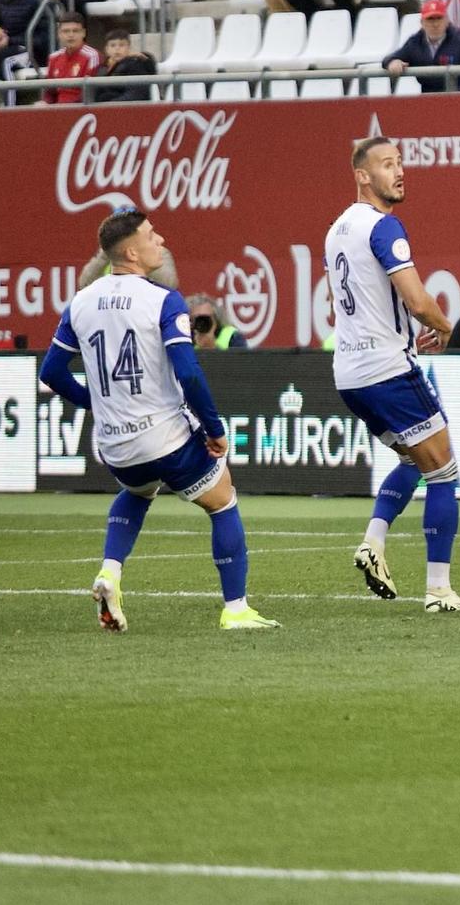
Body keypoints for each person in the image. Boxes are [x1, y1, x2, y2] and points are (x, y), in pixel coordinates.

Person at [41, 209, 280, 632]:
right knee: (223, 500)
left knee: (138, 491)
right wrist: (215, 429)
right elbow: (188, 372)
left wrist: (95, 402)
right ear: (131, 251)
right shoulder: (163, 300)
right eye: (152, 235)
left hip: (114, 445)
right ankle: (237, 609)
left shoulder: (80, 302)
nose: (161, 240)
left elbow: (52, 373)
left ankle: (110, 572)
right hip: (164, 436)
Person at [327, 138, 460, 611]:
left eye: (400, 163)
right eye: (387, 165)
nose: (399, 172)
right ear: (362, 176)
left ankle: (373, 541)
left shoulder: (336, 230)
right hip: (387, 369)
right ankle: (439, 590)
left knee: (414, 462)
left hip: (349, 374)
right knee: (443, 472)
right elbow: (417, 300)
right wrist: (445, 327)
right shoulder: (384, 227)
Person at [383, 0, 460, 91]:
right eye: (430, 19)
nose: (435, 24)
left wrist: (458, 100)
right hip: (428, 103)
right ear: (422, 23)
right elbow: (391, 58)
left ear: (447, 21)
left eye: (439, 18)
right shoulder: (415, 42)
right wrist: (392, 62)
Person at [42, 13, 104, 103]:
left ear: (83, 33)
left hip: (81, 109)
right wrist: (45, 103)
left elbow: (90, 93)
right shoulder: (54, 57)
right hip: (57, 110)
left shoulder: (92, 56)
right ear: (59, 34)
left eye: (75, 31)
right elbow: (50, 92)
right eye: (66, 31)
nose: (71, 35)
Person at [91, 31, 158, 102]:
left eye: (121, 45)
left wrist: (112, 105)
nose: (117, 49)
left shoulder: (135, 64)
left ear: (129, 48)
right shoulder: (102, 68)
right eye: (113, 45)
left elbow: (137, 93)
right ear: (106, 49)